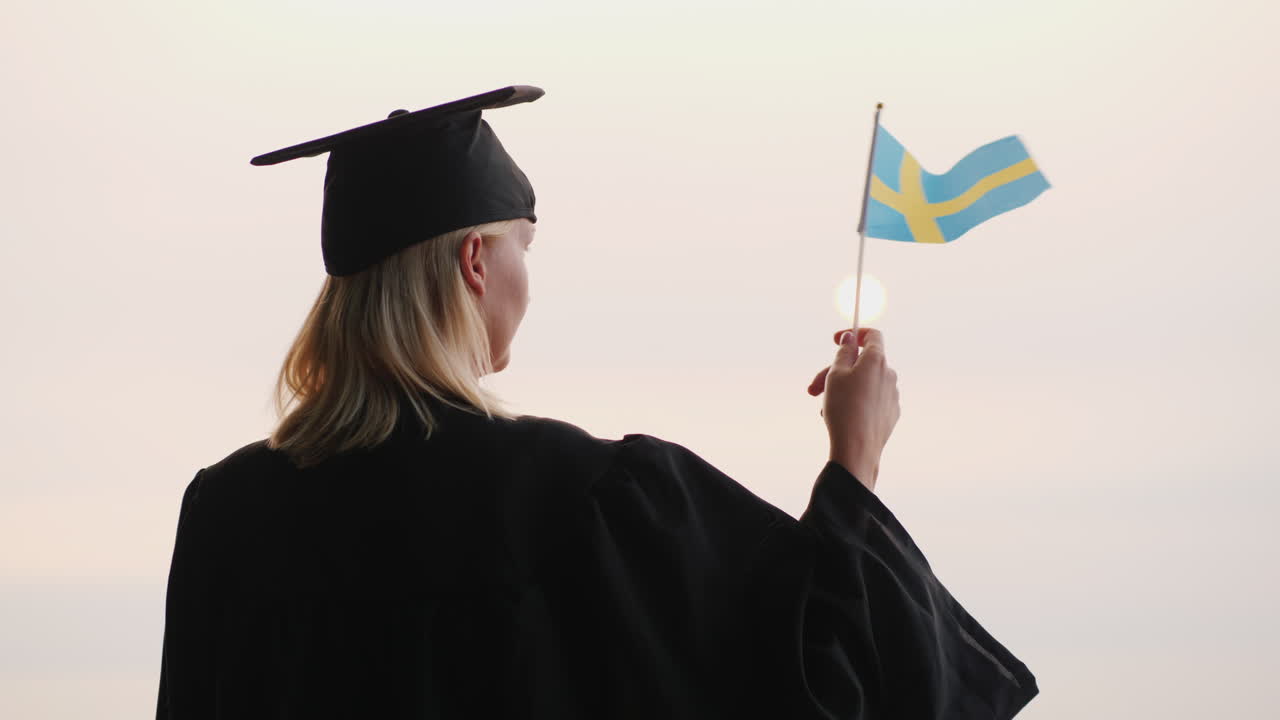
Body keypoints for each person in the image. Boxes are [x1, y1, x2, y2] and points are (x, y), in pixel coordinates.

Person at [156, 86, 1039, 719]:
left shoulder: (226, 514)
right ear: (474, 262)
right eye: (523, 247)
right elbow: (823, 684)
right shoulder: (582, 499)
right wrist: (855, 461)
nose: (527, 278)